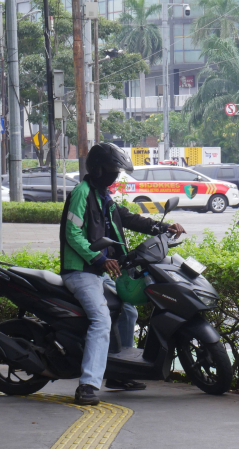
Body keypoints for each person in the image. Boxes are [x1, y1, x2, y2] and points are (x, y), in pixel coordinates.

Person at [60, 142, 186, 405]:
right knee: (101, 320)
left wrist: (161, 228)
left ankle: (118, 373)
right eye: (112, 170)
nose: (115, 175)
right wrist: (100, 259)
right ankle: (87, 385)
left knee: (128, 311)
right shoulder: (82, 194)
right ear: (97, 170)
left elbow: (127, 218)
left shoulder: (103, 197)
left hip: (99, 270)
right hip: (81, 271)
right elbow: (72, 234)